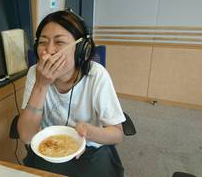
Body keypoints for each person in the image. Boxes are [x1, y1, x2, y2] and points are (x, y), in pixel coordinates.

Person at [17, 9, 126, 176]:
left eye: (59, 42)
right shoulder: (35, 73)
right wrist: (41, 85)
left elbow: (117, 134)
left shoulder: (96, 75)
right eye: (42, 42)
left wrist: (89, 132)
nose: (48, 51)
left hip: (92, 147)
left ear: (81, 48)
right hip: (50, 148)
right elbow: (26, 136)